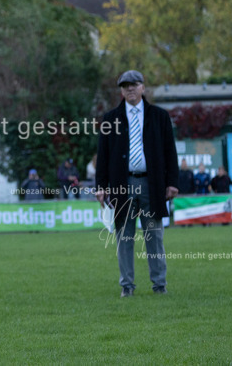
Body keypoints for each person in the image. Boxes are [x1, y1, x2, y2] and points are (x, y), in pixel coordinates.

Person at [96, 70, 179, 297]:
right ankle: (127, 286)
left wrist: (172, 182)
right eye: (125, 86)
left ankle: (159, 284)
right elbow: (102, 155)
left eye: (134, 84)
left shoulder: (159, 116)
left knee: (154, 235)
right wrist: (101, 187)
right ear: (121, 91)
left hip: (151, 184)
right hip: (122, 184)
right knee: (124, 237)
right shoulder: (110, 119)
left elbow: (170, 151)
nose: (129, 89)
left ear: (143, 87)